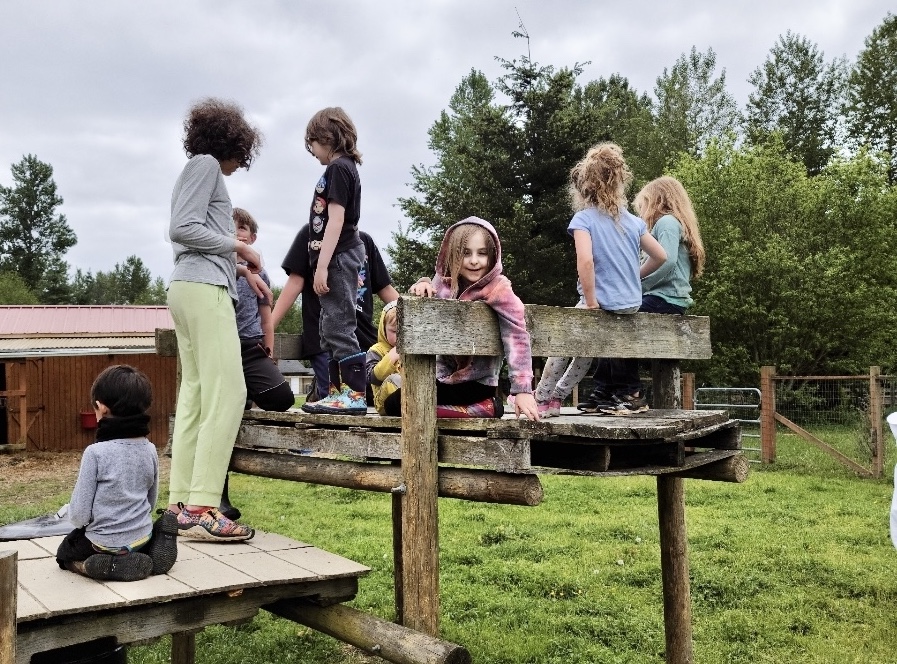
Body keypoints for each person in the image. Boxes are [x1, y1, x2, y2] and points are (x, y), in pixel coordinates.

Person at [165, 97, 264, 541]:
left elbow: (192, 237)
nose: (242, 164)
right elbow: (183, 229)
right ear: (232, 142)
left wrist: (239, 270)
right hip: (203, 291)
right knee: (231, 389)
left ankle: (180, 504)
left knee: (198, 394)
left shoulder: (196, 169)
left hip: (189, 286)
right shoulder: (205, 165)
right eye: (243, 154)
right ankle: (205, 504)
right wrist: (239, 247)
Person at [533, 142, 666, 417]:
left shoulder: (584, 219)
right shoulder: (633, 221)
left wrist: (591, 302)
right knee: (586, 351)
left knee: (563, 347)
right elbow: (660, 256)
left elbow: (586, 261)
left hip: (601, 303)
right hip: (628, 305)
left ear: (584, 188)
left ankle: (542, 399)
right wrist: (634, 279)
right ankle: (558, 397)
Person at [390, 217, 540, 421]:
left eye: (482, 253)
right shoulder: (444, 284)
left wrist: (522, 389)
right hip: (442, 378)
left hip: (477, 384)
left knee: (406, 405)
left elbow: (517, 335)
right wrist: (423, 284)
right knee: (395, 403)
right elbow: (429, 300)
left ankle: (483, 408)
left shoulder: (498, 287)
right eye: (466, 253)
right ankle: (472, 411)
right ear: (452, 255)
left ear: (493, 256)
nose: (474, 261)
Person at [579, 175, 705, 414]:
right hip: (661, 298)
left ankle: (631, 393)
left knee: (618, 322)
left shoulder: (667, 222)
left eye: (644, 203)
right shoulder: (670, 224)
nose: (642, 211)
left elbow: (665, 264)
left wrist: (635, 284)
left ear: (658, 200)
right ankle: (606, 389)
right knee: (611, 321)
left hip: (665, 299)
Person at [283, 107, 370, 416]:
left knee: (338, 324)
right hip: (339, 255)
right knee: (328, 326)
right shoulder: (345, 169)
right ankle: (334, 392)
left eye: (313, 144)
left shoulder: (339, 169)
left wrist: (321, 265)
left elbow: (336, 219)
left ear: (327, 138)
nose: (312, 151)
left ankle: (355, 394)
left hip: (338, 256)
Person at [56, 366, 177, 581]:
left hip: (101, 543)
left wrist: (74, 517)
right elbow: (152, 498)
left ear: (101, 407)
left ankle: (94, 566)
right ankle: (150, 547)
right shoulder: (150, 449)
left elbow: (80, 515)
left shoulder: (95, 453)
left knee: (65, 553)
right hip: (141, 534)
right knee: (142, 536)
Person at [219, 207, 295, 521]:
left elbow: (266, 312)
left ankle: (247, 392)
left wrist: (269, 345)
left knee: (283, 398)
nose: (238, 232)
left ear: (252, 237)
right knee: (223, 418)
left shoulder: (260, 273)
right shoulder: (219, 267)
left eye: (243, 229)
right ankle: (218, 497)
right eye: (231, 228)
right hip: (223, 348)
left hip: (250, 347)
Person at [272, 225, 399, 403]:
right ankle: (321, 389)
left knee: (372, 398)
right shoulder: (311, 235)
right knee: (337, 400)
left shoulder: (364, 241)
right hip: (326, 340)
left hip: (364, 340)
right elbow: (294, 283)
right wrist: (269, 327)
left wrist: (412, 320)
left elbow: (385, 289)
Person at [366, 300, 402, 416]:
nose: (400, 337)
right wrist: (390, 359)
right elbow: (371, 378)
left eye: (404, 331)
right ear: (383, 329)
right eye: (395, 331)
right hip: (383, 402)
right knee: (395, 378)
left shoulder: (412, 349)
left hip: (408, 397)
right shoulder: (376, 350)